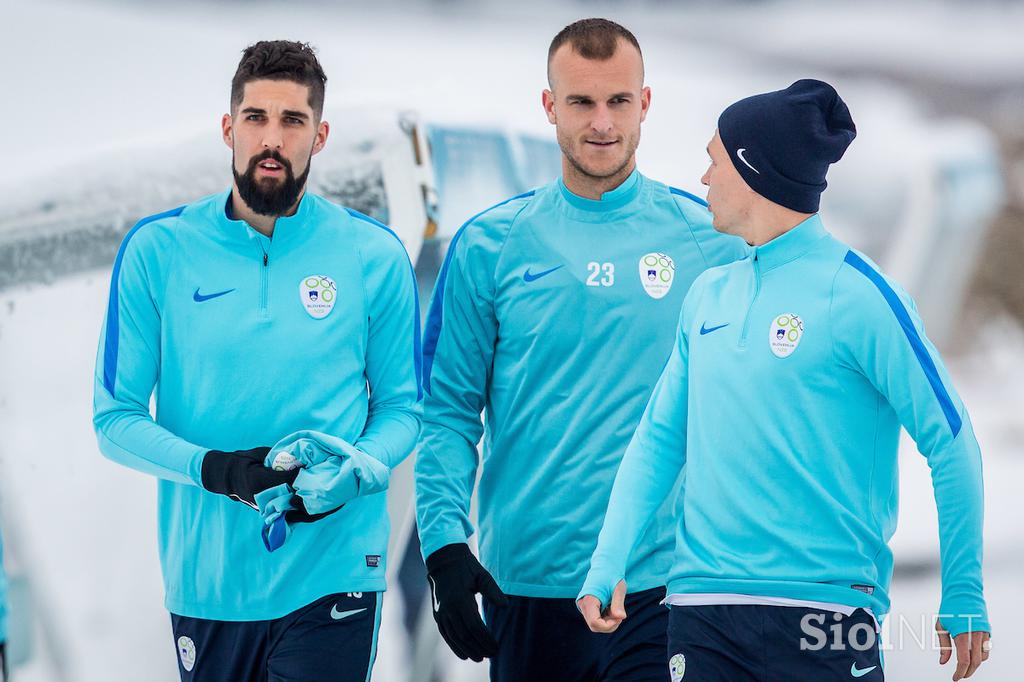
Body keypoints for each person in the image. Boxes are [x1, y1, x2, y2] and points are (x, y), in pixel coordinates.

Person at [579, 79, 991, 681]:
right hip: (703, 612)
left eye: (713, 161)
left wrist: (963, 593)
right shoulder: (706, 296)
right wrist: (607, 561)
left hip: (824, 616)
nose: (703, 179)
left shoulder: (861, 297)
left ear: (754, 170)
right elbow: (658, 442)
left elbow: (952, 443)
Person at [415, 18, 746, 681]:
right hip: (530, 585)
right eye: (582, 102)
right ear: (550, 106)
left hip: (663, 585)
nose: (602, 122)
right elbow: (448, 416)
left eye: (618, 101)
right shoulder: (490, 247)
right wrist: (445, 546)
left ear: (644, 104)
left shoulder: (711, 243)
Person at [92, 40, 421, 681]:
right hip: (208, 581)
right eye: (256, 118)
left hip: (335, 568)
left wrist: (360, 468)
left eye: (293, 121)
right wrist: (213, 468)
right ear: (228, 128)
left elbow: (403, 408)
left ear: (319, 136)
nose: (272, 139)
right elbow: (114, 420)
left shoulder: (373, 255)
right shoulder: (158, 251)